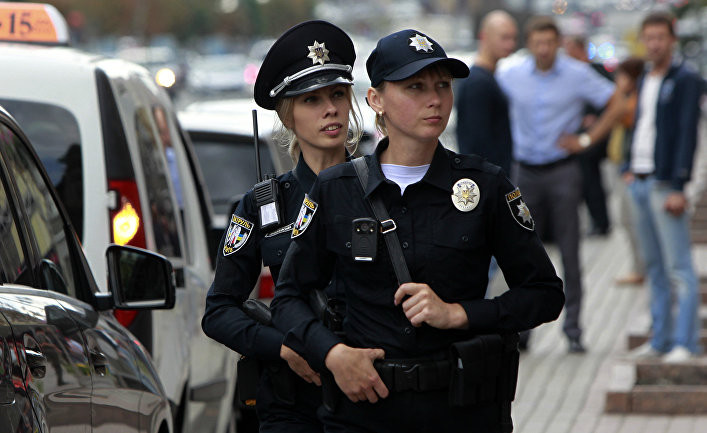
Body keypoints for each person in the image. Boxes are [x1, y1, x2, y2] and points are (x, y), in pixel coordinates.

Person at [271, 29, 564, 433]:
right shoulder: (337, 188)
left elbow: (545, 296)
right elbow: (289, 296)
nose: (434, 99)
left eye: (442, 85)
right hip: (363, 415)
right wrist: (333, 354)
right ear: (376, 100)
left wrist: (460, 313)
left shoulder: (486, 186)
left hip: (461, 411)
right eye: (415, 87)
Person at [201, 20, 361, 432]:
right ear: (288, 117)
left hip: (372, 396)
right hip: (292, 406)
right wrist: (284, 348)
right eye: (311, 100)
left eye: (338, 94)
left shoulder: (381, 191)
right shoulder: (261, 206)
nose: (330, 109)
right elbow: (219, 311)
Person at [497, 16, 622, 353]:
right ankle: (523, 331)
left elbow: (617, 100)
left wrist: (587, 139)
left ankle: (574, 329)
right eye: (537, 43)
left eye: (549, 43)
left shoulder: (576, 74)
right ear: (529, 43)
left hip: (563, 170)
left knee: (570, 251)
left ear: (558, 43)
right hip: (525, 173)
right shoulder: (511, 74)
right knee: (523, 252)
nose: (544, 49)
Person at [624, 12, 703, 363]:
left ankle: (686, 342)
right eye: (649, 38)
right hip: (640, 180)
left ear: (672, 39)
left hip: (666, 182)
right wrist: (628, 167)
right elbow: (640, 126)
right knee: (653, 267)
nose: (654, 44)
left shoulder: (686, 79)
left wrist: (681, 185)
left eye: (660, 37)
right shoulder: (645, 78)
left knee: (679, 268)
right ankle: (660, 338)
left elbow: (689, 133)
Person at [455, 9, 517, 174]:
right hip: (486, 181)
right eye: (504, 37)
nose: (510, 44)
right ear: (484, 37)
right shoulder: (478, 83)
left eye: (513, 38)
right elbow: (477, 144)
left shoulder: (487, 78)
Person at [564, 35, 613, 237]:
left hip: (591, 139)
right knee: (586, 181)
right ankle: (597, 221)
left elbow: (612, 101)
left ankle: (600, 222)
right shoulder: (572, 73)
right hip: (580, 138)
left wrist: (594, 121)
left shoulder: (593, 71)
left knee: (591, 181)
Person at [610, 57, 646, 286]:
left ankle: (640, 268)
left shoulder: (634, 102)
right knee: (626, 219)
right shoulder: (629, 99)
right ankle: (638, 266)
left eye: (621, 76)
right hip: (622, 166)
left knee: (632, 220)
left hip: (630, 169)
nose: (617, 81)